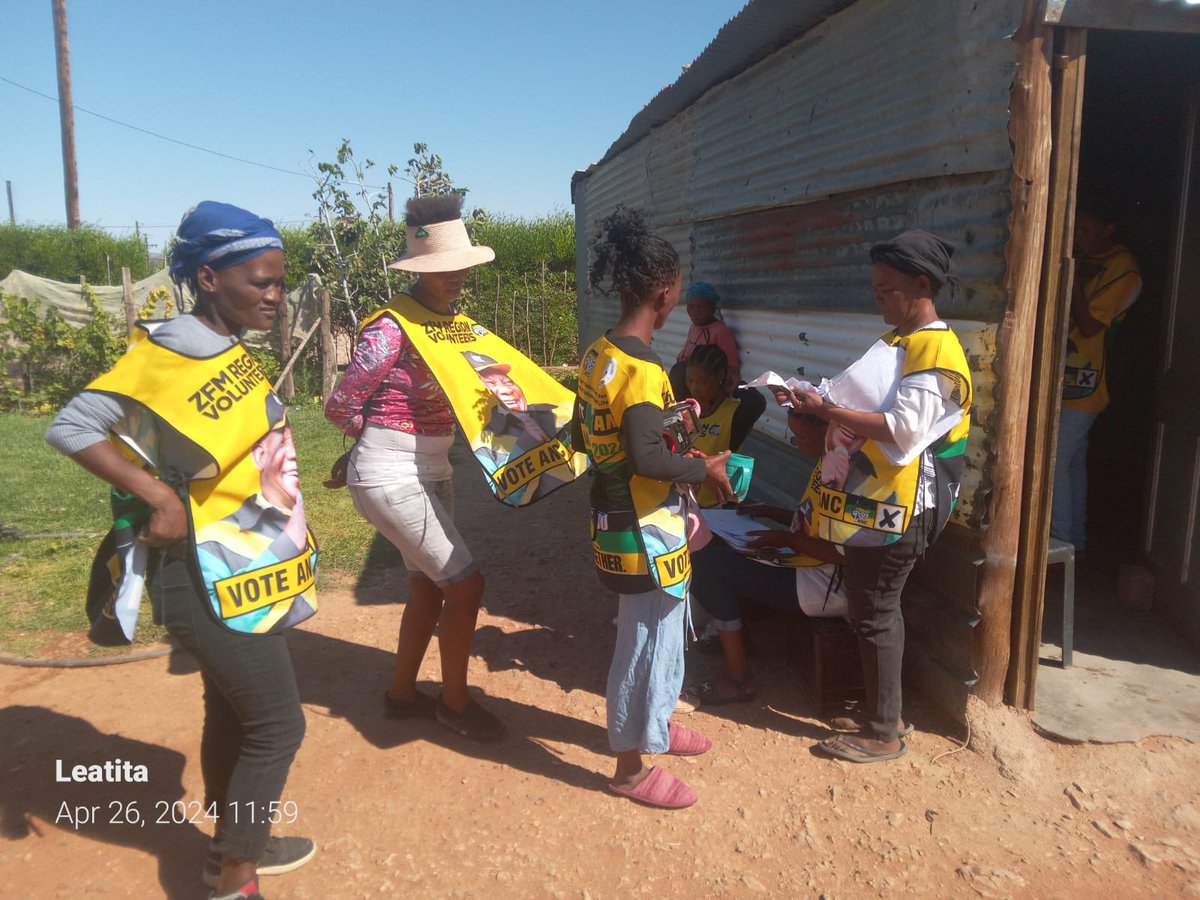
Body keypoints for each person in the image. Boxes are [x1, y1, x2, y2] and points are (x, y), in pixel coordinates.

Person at [46, 201, 317, 899]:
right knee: (278, 724)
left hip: (238, 563)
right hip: (197, 573)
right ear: (207, 278)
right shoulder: (163, 354)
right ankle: (234, 877)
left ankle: (232, 844)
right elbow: (72, 425)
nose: (274, 295)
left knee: (231, 710)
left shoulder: (221, 347)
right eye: (260, 281)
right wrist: (159, 497)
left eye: (279, 282)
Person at [775, 229, 972, 763]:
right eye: (876, 288)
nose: (878, 298)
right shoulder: (898, 342)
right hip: (879, 505)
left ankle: (884, 731)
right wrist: (813, 397)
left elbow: (905, 429)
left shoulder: (937, 349)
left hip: (905, 510)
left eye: (886, 289)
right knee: (871, 608)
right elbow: (856, 394)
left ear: (922, 284)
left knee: (876, 609)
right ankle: (884, 714)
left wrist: (826, 412)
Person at [324, 193, 505, 742]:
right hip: (391, 471)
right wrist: (363, 444)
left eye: (458, 266)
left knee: (429, 589)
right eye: (439, 268)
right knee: (466, 586)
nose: (453, 276)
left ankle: (402, 695)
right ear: (417, 271)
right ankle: (454, 703)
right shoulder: (392, 327)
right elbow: (340, 404)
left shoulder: (451, 325)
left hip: (432, 468)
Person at [574, 206, 733, 809]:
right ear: (666, 293)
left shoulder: (599, 355)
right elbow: (646, 457)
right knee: (642, 639)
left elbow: (599, 432)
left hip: (622, 518)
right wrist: (707, 467)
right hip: (644, 528)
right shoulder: (640, 370)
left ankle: (657, 725)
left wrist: (679, 419)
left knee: (665, 631)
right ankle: (629, 765)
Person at [1050, 199, 1142, 556]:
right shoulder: (1092, 260)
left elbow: (1088, 325)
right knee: (1071, 461)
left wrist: (1069, 275)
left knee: (1057, 460)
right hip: (1067, 375)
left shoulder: (1123, 269)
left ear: (1109, 229)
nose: (1077, 237)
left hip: (1090, 381)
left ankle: (1059, 543)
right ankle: (1074, 542)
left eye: (1085, 230)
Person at [689, 502, 847, 705]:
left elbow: (841, 553)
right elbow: (813, 523)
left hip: (822, 587)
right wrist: (769, 510)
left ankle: (739, 679)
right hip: (806, 566)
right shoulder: (836, 473)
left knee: (708, 565)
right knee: (713, 539)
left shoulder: (854, 482)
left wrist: (784, 539)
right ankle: (736, 637)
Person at [668, 280, 766, 425]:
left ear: (712, 307)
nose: (695, 312)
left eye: (700, 307)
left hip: (702, 392)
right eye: (691, 307)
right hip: (690, 387)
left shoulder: (721, 332)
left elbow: (732, 367)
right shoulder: (695, 327)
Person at [685, 343, 765, 507]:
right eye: (690, 381)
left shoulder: (733, 415)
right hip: (685, 502)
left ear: (720, 376)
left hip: (716, 507)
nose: (695, 388)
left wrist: (735, 385)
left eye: (702, 382)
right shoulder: (687, 411)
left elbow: (757, 402)